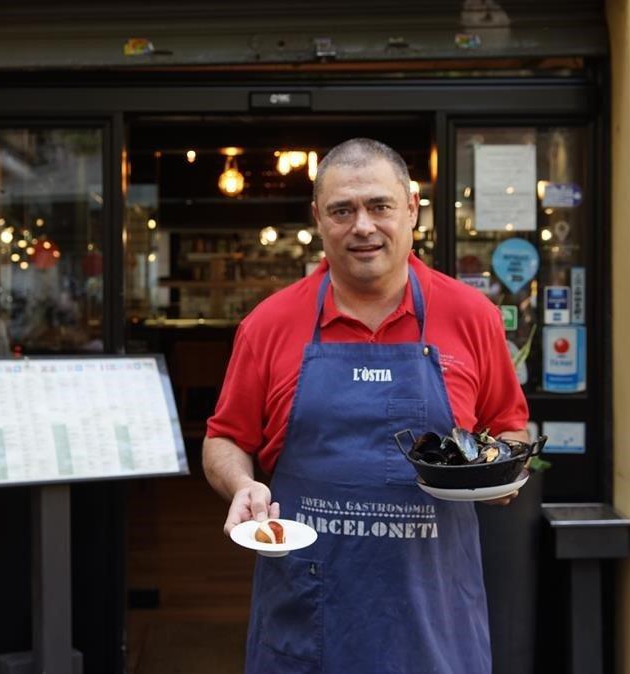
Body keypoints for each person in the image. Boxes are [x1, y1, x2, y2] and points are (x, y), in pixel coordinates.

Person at [203, 138, 530, 673]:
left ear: (412, 210)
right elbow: (225, 439)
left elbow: (510, 427)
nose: (362, 226)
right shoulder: (268, 324)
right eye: (342, 210)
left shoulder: (472, 316)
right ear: (317, 218)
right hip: (308, 618)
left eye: (379, 206)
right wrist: (241, 485)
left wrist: (499, 472)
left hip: (434, 621)